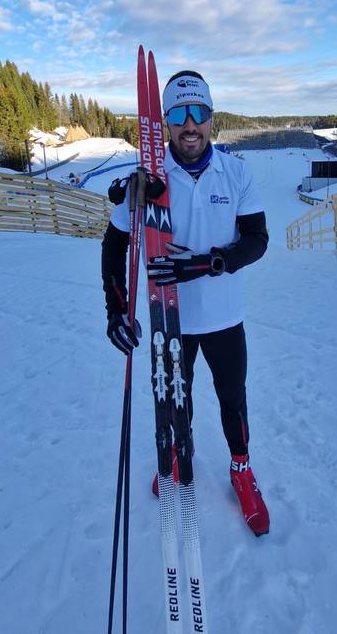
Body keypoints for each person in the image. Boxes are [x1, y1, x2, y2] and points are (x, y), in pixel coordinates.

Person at [101, 70, 270, 536]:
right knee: (176, 400)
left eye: (199, 113)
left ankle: (241, 470)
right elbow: (114, 244)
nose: (190, 125)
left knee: (233, 398)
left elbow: (257, 239)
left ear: (212, 118)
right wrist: (116, 309)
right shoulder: (147, 178)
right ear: (165, 122)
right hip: (168, 319)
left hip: (224, 317)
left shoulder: (236, 173)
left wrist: (210, 263)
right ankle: (179, 457)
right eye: (179, 114)